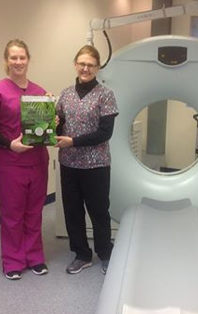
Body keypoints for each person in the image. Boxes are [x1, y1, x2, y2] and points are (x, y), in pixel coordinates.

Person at [0, 39, 49, 280]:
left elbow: (44, 128)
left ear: (28, 60)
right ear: (6, 61)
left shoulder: (40, 93)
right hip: (9, 163)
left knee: (34, 212)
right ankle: (12, 261)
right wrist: (10, 144)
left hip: (38, 161)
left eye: (22, 57)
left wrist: (53, 122)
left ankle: (35, 257)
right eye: (13, 57)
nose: (18, 62)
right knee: (12, 215)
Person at [56, 45, 119, 275]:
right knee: (72, 211)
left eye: (90, 64)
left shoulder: (105, 95)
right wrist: (45, 122)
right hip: (69, 164)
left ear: (97, 67)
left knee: (99, 211)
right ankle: (82, 254)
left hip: (96, 164)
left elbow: (105, 133)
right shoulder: (65, 94)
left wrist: (73, 141)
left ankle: (105, 252)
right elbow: (59, 124)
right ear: (75, 64)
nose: (85, 68)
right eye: (82, 63)